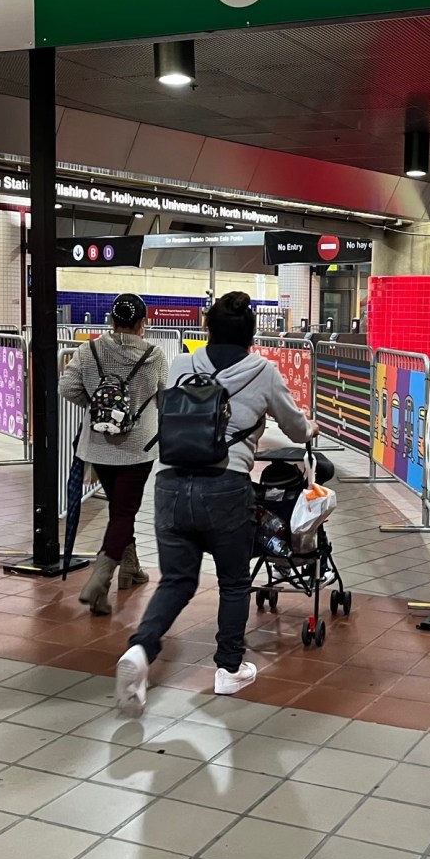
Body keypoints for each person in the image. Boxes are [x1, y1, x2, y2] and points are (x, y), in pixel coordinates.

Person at [116, 291, 318, 716]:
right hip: (226, 486)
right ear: (251, 336)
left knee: (176, 581)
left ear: (206, 329)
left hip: (171, 484)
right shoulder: (263, 371)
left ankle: (140, 650)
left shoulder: (182, 364)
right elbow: (296, 430)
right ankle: (228, 668)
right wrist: (310, 428)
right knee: (233, 581)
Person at [59, 293, 168, 615]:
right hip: (138, 449)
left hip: (98, 446)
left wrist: (98, 406)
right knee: (123, 512)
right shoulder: (154, 355)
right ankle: (100, 579)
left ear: (111, 320)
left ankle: (130, 568)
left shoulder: (89, 350)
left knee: (120, 508)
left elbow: (67, 388)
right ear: (142, 323)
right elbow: (165, 398)